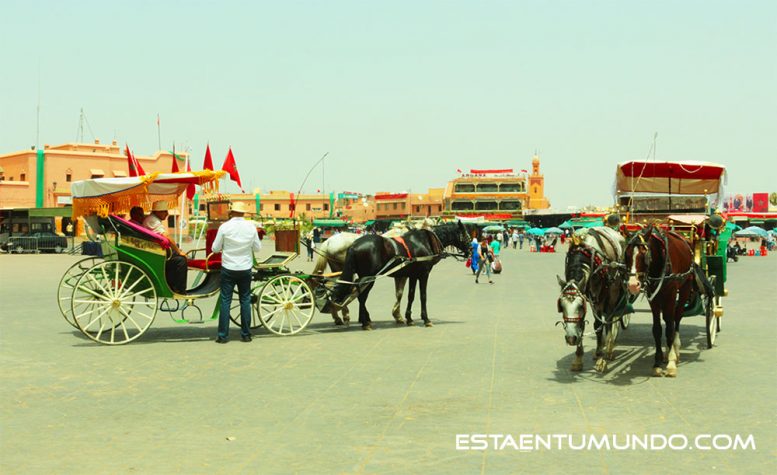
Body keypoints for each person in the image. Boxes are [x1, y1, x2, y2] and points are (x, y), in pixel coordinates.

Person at [212, 201, 262, 344]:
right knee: (245, 300)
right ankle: (246, 334)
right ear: (243, 213)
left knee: (225, 301)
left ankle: (223, 335)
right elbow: (257, 248)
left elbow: (215, 248)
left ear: (231, 212)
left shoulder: (225, 227)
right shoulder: (251, 227)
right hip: (245, 268)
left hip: (228, 267)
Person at [143, 201, 188, 293]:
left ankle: (173, 285)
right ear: (157, 212)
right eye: (164, 211)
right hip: (155, 251)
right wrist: (179, 251)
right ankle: (179, 289)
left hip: (157, 248)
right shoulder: (152, 220)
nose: (167, 214)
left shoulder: (152, 219)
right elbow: (166, 236)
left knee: (177, 254)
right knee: (181, 260)